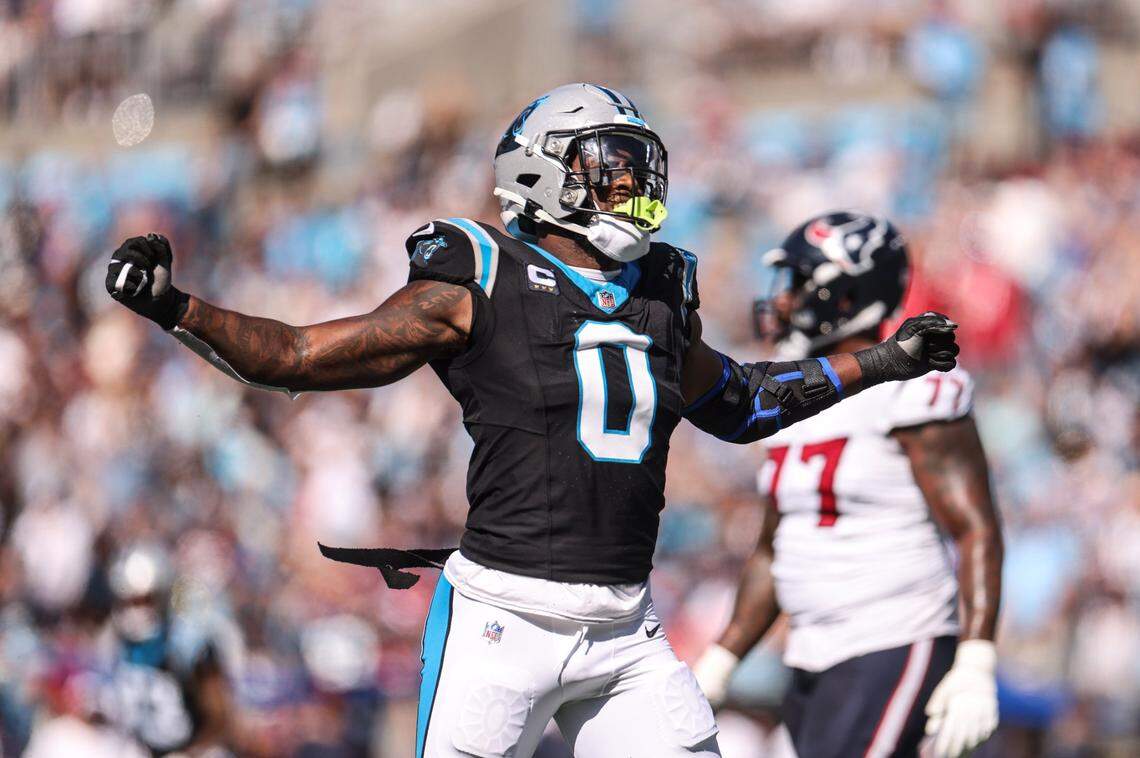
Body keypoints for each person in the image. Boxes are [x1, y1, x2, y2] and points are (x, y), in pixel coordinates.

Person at [104, 86, 959, 758]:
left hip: (624, 628)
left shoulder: (658, 295)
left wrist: (881, 361)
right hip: (501, 621)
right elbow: (293, 356)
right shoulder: (477, 278)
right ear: (545, 173)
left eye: (638, 167)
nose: (633, 185)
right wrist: (178, 307)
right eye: (611, 165)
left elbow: (738, 401)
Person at [692, 212, 1002, 758]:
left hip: (893, 637)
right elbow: (774, 549)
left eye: (798, 283)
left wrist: (976, 659)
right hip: (811, 655)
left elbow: (974, 527)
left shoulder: (915, 387)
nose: (782, 301)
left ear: (848, 293)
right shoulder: (795, 388)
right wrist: (722, 660)